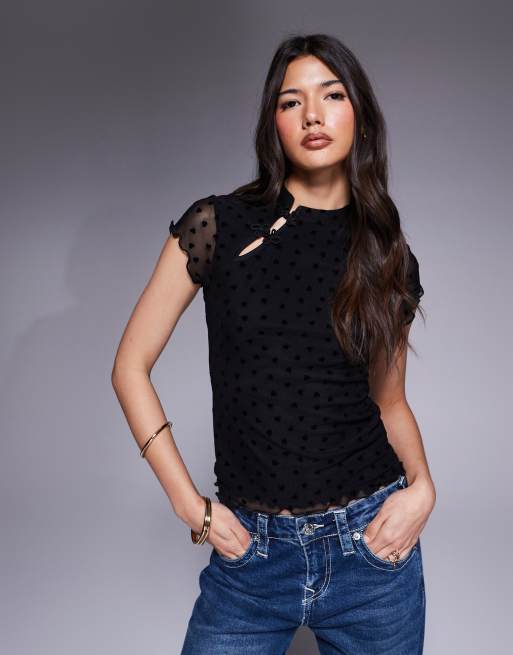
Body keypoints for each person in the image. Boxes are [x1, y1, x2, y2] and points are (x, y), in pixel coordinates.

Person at [112, 33, 436, 655]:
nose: (313, 114)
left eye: (332, 95)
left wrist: (422, 488)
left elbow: (390, 402)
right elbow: (130, 366)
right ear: (274, 122)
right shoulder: (216, 225)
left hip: (371, 552)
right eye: (292, 102)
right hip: (251, 561)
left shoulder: (387, 253)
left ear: (359, 115)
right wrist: (191, 507)